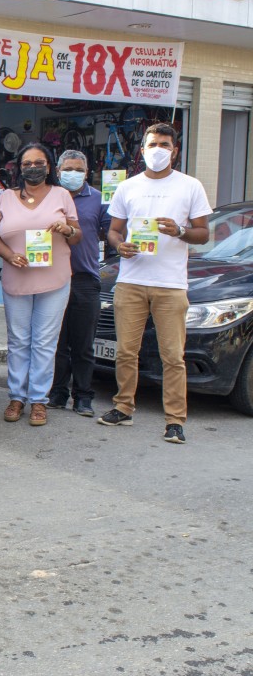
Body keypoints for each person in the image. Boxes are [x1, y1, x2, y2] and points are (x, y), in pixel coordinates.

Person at [97, 123, 210, 444]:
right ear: (142, 149)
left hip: (171, 285)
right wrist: (120, 247)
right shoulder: (128, 187)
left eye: (164, 144)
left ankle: (174, 420)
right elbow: (114, 230)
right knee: (126, 352)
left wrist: (180, 231)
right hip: (131, 280)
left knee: (173, 356)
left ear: (174, 151)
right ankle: (123, 407)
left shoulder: (190, 186)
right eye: (152, 144)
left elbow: (203, 233)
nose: (158, 150)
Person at [0, 143, 81, 427]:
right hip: (16, 279)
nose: (33, 168)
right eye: (27, 163)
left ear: (49, 167)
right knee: (18, 341)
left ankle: (38, 400)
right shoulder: (6, 198)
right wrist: (8, 255)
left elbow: (77, 236)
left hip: (54, 280)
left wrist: (67, 229)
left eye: (39, 163)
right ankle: (16, 396)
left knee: (44, 342)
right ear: (19, 167)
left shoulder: (62, 195)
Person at [47, 150, 111, 417]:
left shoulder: (98, 200)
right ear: (59, 171)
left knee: (83, 344)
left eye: (78, 169)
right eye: (67, 169)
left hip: (85, 279)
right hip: (51, 278)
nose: (72, 174)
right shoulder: (48, 197)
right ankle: (58, 393)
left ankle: (83, 397)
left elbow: (113, 232)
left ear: (86, 173)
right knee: (57, 344)